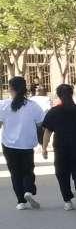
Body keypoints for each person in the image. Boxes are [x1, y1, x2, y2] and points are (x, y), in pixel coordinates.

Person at [39, 84, 76, 210]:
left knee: (62, 173)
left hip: (61, 147)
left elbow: (47, 131)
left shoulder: (54, 111)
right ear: (72, 94)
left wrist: (44, 148)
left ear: (59, 95)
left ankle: (67, 201)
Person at [0, 76, 42, 209]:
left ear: (10, 89)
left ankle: (21, 202)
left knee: (15, 173)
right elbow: (40, 123)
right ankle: (28, 190)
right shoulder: (33, 106)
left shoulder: (3, 105)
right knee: (28, 170)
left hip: (9, 145)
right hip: (27, 144)